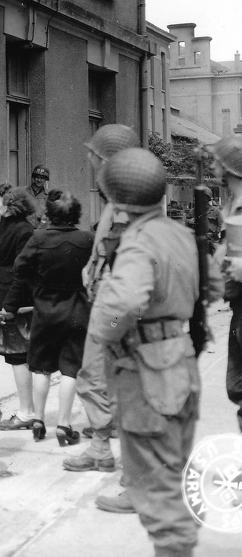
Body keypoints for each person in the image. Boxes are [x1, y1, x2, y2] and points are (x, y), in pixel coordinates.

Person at [89, 148, 201, 557]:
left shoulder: (138, 240)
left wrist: (105, 331)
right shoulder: (179, 232)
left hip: (148, 369)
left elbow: (127, 305)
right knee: (172, 477)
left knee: (155, 487)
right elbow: (206, 290)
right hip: (179, 360)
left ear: (117, 198)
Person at [63, 124, 140, 499]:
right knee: (95, 374)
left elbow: (128, 257)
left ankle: (129, 465)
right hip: (110, 302)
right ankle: (101, 449)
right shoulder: (117, 198)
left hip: (116, 308)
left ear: (105, 159)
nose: (89, 160)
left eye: (93, 155)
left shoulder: (126, 202)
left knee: (105, 375)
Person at [1, 190, 94, 445]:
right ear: (76, 214)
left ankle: (39, 419)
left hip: (45, 310)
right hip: (77, 309)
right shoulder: (87, 239)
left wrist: (10, 306)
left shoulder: (38, 238)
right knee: (70, 369)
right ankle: (64, 425)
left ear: (50, 213)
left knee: (41, 367)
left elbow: (20, 271)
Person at [0, 184, 37, 430]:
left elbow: (21, 272)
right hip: (13, 298)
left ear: (8, 205)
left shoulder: (9, 229)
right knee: (19, 357)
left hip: (11, 299)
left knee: (19, 357)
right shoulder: (22, 229)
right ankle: (28, 410)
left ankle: (26, 412)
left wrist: (10, 304)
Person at [209, 136, 242, 432]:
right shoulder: (233, 206)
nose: (212, 165)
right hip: (237, 308)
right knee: (237, 387)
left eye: (217, 161)